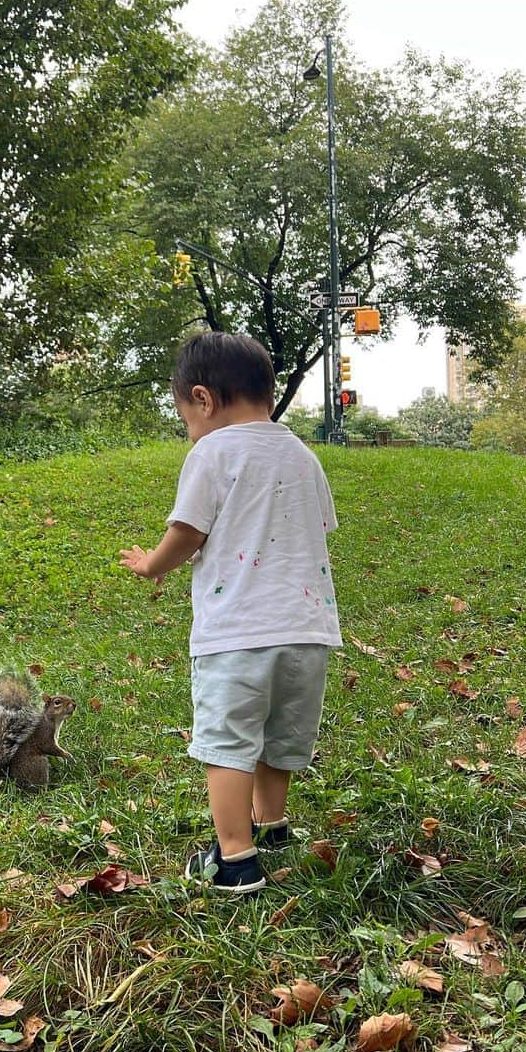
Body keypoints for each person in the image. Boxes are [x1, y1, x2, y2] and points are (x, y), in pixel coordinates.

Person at [119, 331, 341, 897]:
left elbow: (188, 531)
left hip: (236, 633)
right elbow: (319, 530)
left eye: (185, 417)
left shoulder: (212, 452)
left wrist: (151, 565)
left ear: (203, 399)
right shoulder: (303, 455)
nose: (189, 429)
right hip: (307, 633)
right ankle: (272, 826)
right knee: (280, 736)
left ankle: (235, 859)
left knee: (228, 744)